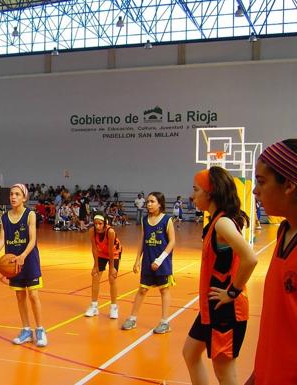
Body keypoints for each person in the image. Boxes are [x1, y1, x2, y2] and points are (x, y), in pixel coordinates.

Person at [183, 167, 257, 385]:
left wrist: (232, 292)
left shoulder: (223, 223)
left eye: (196, 190)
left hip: (226, 310)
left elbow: (250, 259)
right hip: (211, 307)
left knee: (225, 374)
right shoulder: (215, 221)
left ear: (210, 192)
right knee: (190, 353)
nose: (192, 195)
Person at [246, 139, 297, 385]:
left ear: (288, 185)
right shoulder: (284, 232)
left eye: (262, 181)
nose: (255, 190)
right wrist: (258, 374)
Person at [0, 184, 47, 347]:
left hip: (29, 261)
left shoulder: (30, 214)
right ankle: (26, 330)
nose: (13, 197)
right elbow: (2, 238)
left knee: (33, 295)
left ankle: (40, 330)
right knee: (20, 296)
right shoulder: (5, 217)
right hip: (13, 264)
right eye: (11, 194)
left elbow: (33, 239)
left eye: (17, 194)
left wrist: (22, 256)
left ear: (24, 197)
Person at [121, 192, 176, 333]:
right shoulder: (145, 220)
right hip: (147, 261)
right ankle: (132, 319)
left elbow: (172, 242)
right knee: (142, 289)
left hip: (162, 262)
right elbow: (142, 240)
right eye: (148, 202)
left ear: (160, 204)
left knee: (164, 289)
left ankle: (165, 322)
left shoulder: (167, 220)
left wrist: (160, 259)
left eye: (152, 201)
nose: (149, 204)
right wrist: (137, 260)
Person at [84, 212, 121, 319]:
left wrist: (112, 268)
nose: (97, 226)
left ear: (105, 223)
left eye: (100, 224)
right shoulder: (92, 231)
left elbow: (111, 250)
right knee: (95, 276)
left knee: (112, 278)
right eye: (95, 224)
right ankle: (94, 306)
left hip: (113, 253)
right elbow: (94, 248)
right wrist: (95, 265)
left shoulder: (110, 232)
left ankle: (114, 307)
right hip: (101, 253)